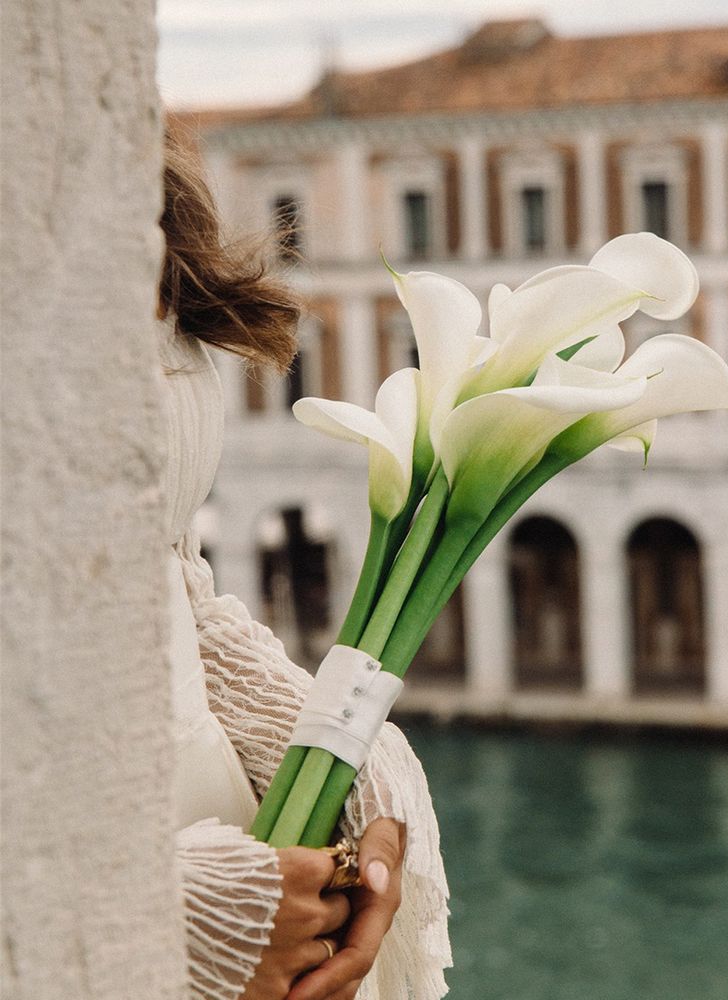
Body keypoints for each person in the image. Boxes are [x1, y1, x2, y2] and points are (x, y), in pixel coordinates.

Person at [159, 127, 450, 1000]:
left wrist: (351, 766)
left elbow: (174, 585)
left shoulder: (119, 153)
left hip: (245, 860)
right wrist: (170, 913)